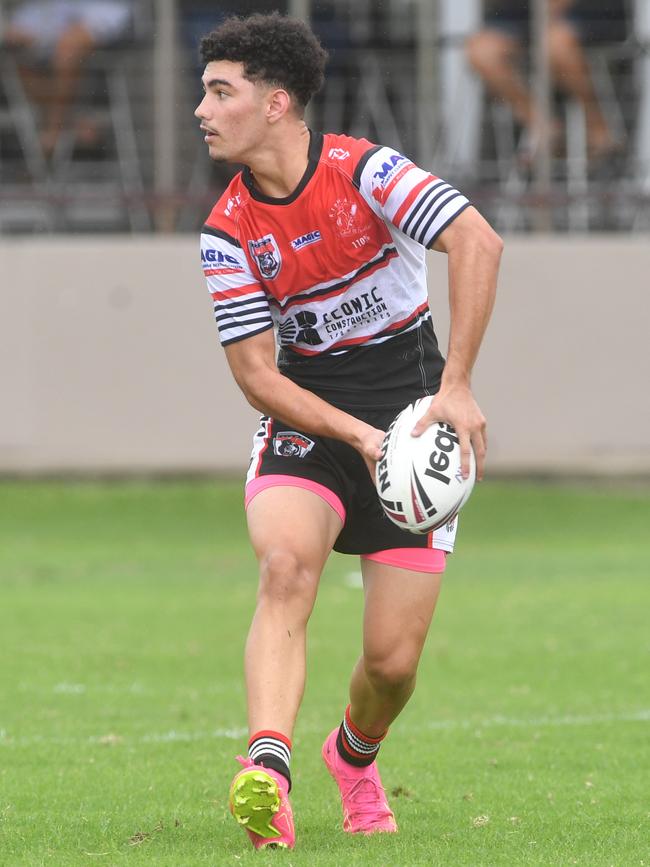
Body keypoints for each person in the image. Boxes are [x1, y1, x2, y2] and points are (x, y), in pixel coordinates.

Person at [195, 12, 502, 851]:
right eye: (204, 91)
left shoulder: (367, 171)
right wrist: (356, 438)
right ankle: (268, 770)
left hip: (415, 419)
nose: (202, 109)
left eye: (221, 91)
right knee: (286, 566)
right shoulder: (228, 231)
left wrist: (458, 384)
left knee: (393, 665)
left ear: (276, 102)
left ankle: (353, 757)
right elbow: (260, 377)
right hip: (312, 423)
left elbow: (476, 239)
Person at [465, 0, 626, 163]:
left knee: (556, 44)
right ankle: (541, 125)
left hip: (587, 11)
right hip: (523, 12)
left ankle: (598, 129)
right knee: (482, 51)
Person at [4, 0, 133, 157]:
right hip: (55, 11)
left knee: (69, 46)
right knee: (15, 43)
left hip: (106, 10)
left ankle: (54, 131)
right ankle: (68, 121)